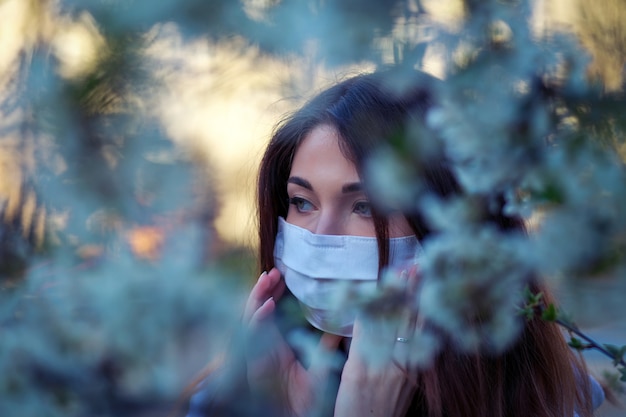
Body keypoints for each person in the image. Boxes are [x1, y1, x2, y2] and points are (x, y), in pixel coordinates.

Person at [184, 69, 605, 417]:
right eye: (302, 202)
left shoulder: (554, 401)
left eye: (365, 206)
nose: (321, 236)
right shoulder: (223, 400)